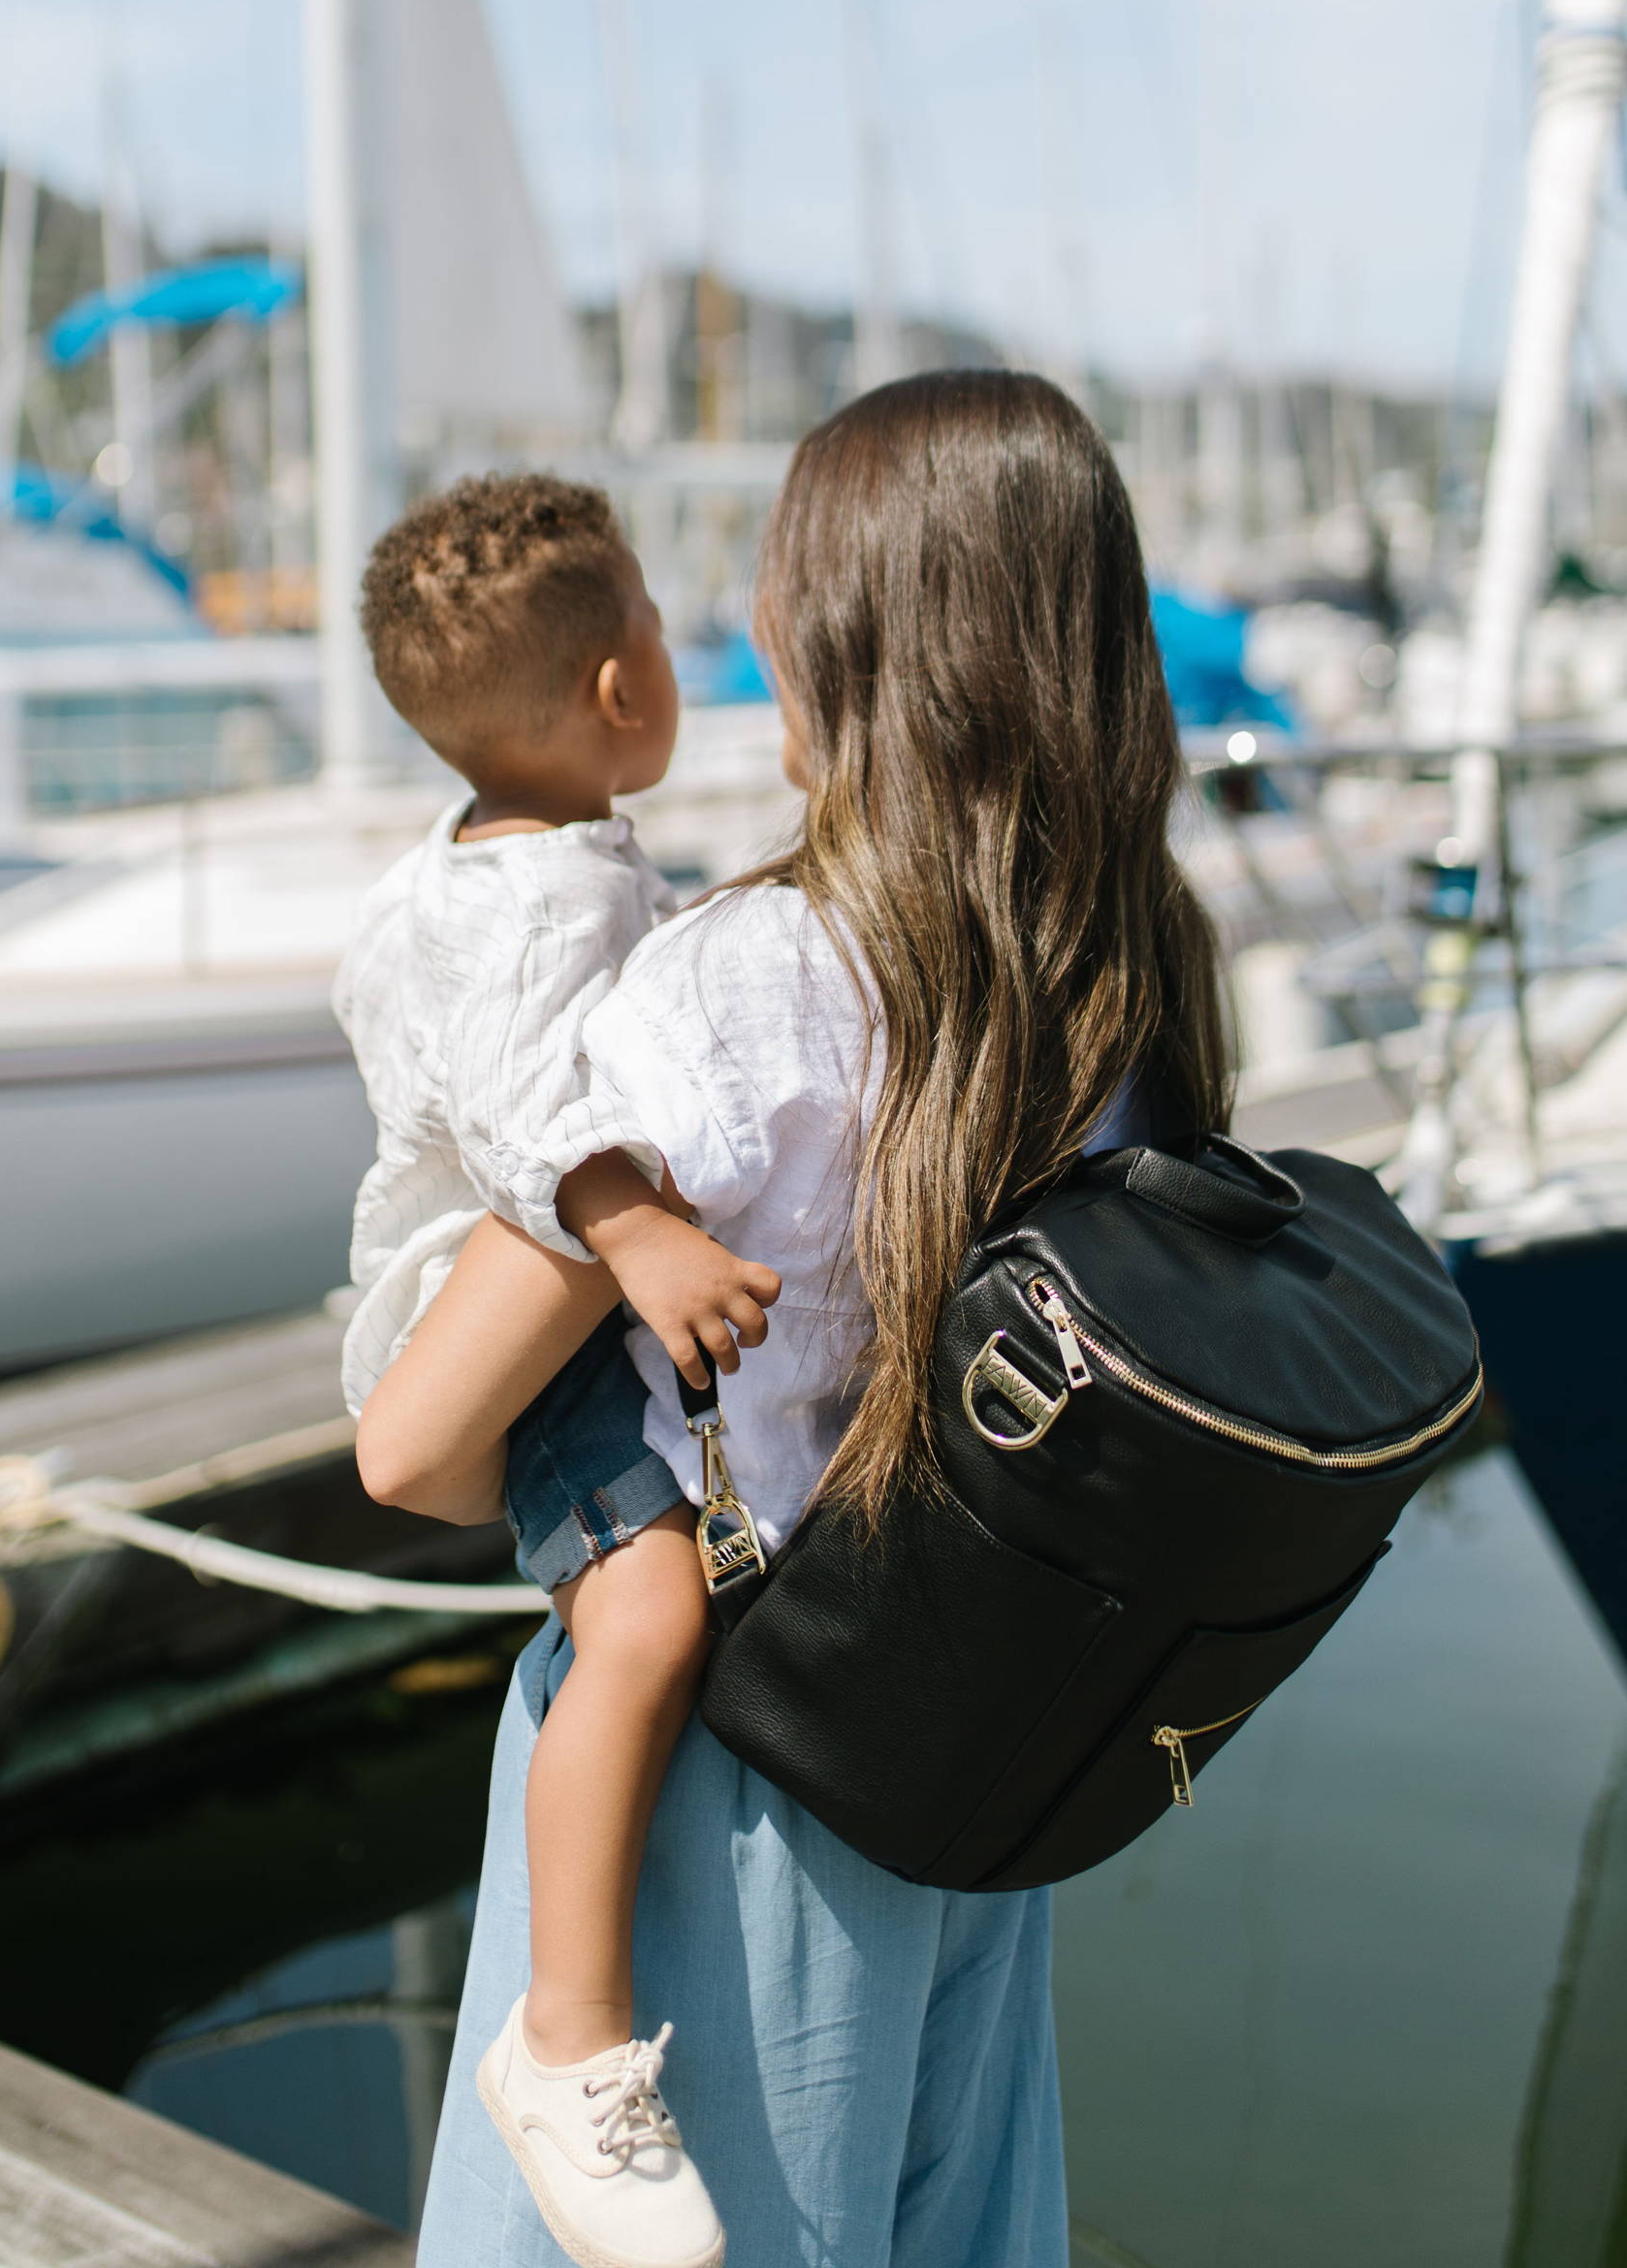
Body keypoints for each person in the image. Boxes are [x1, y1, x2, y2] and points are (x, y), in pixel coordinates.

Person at [358, 370, 1230, 2268]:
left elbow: (413, 1447)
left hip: (722, 1797)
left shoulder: (735, 986)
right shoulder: (1139, 979)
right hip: (975, 1779)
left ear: (822, 635)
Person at [336, 472, 781, 2268]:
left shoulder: (491, 871)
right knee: (649, 1624)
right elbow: (533, 1114)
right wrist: (647, 1232)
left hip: (525, 1310)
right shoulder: (544, 911)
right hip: (543, 1324)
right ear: (619, 690)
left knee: (640, 1618)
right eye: (663, 632)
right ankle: (569, 2033)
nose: (675, 659)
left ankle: (571, 2017)